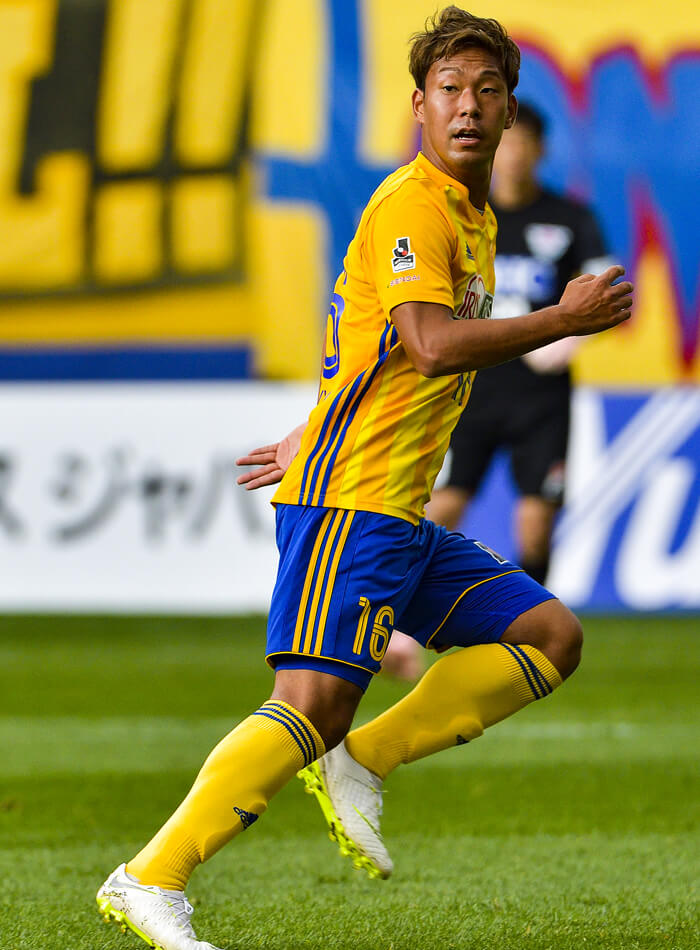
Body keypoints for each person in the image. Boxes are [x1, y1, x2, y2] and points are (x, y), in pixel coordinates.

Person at [96, 9, 632, 950]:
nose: (468, 107)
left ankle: (365, 760)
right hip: (351, 501)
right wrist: (560, 319)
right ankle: (150, 877)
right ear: (419, 106)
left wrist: (317, 419)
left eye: (488, 91)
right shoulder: (415, 206)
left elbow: (376, 343)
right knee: (310, 704)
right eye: (449, 90)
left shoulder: (471, 215)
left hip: (396, 508)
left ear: (510, 112)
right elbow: (428, 345)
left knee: (549, 635)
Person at [428, 100, 614, 584]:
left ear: (540, 151)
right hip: (472, 387)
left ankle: (530, 620)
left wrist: (568, 341)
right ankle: (407, 609)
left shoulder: (570, 218)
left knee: (536, 522)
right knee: (444, 503)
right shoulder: (464, 214)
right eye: (507, 144)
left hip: (541, 399)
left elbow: (607, 288)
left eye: (524, 145)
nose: (514, 155)